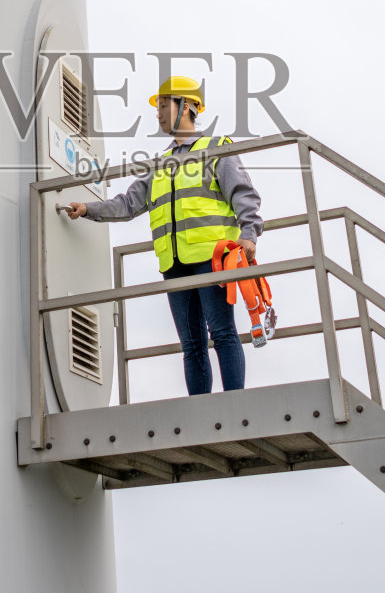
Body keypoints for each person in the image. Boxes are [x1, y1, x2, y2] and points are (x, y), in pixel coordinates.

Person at [59, 76, 263, 395]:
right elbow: (127, 204)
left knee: (222, 332)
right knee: (192, 344)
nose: (158, 114)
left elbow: (244, 194)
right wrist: (87, 209)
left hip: (213, 260)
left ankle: (235, 405)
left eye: (164, 106)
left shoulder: (215, 148)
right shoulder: (160, 165)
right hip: (175, 264)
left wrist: (249, 233)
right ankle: (201, 410)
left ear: (186, 106)